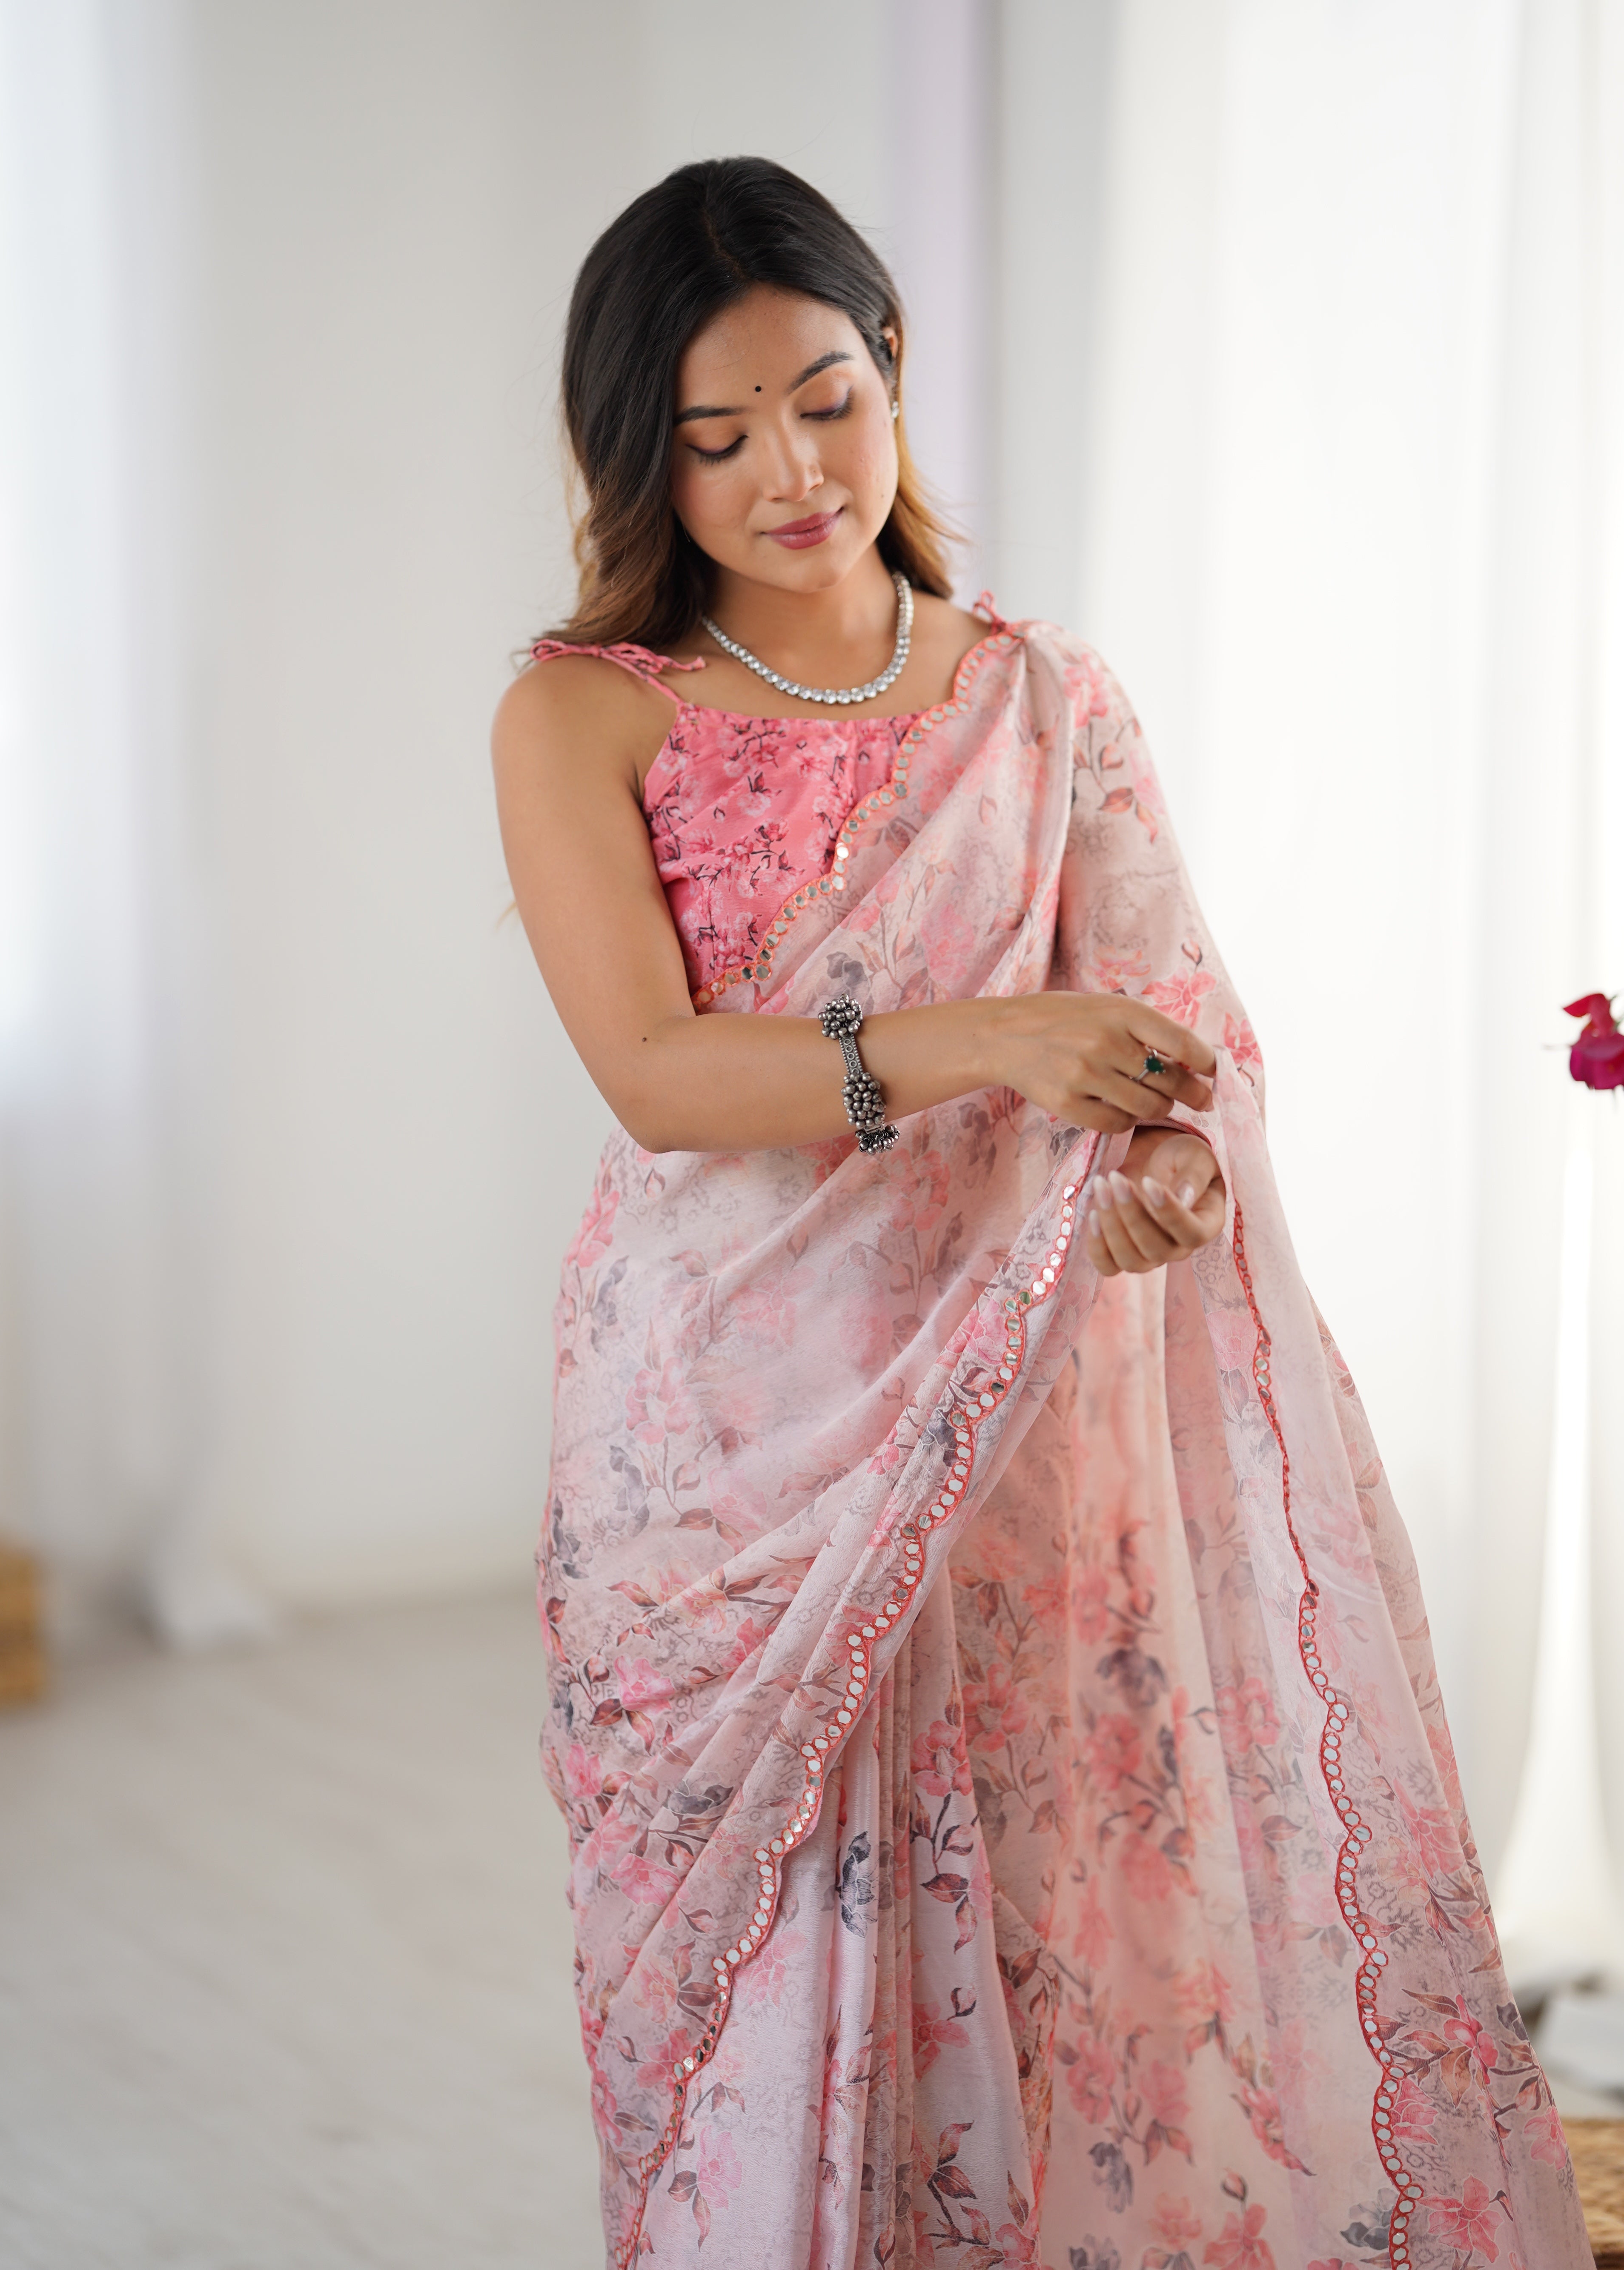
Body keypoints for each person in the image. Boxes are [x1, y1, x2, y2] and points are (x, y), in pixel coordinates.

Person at [493, 157, 1587, 2270]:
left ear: (890, 362)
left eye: (823, 397)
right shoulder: (579, 707)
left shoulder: (1040, 693)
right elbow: (649, 1074)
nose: (789, 471)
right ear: (643, 453)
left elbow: (1175, 1021)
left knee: (1069, 1899)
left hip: (1030, 1423)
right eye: (714, 439)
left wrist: (1170, 1161)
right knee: (774, 1946)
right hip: (729, 1441)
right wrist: (994, 1038)